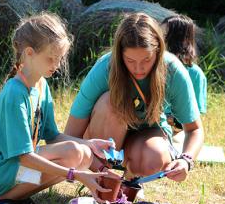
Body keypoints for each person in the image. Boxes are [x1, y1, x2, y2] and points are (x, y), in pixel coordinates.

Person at [0, 12, 116, 204]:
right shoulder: (14, 93)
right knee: (74, 154)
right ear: (29, 53)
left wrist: (89, 143)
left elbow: (52, 135)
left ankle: (16, 196)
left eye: (59, 59)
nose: (56, 65)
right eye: (51, 58)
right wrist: (73, 174)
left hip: (11, 167)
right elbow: (24, 156)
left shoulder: (41, 85)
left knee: (82, 153)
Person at [64, 12, 204, 184]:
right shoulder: (105, 68)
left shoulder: (173, 70)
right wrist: (74, 165)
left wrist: (186, 160)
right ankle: (104, 178)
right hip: (104, 132)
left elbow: (194, 129)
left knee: (154, 158)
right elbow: (71, 134)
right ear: (119, 55)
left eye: (147, 59)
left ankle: (131, 179)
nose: (139, 68)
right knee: (110, 102)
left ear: (158, 51)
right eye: (130, 60)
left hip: (146, 133)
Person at [161, 15, 207, 142]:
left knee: (177, 139)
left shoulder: (195, 74)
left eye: (163, 36)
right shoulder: (152, 69)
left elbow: (193, 118)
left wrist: (172, 123)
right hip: (153, 124)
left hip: (177, 130)